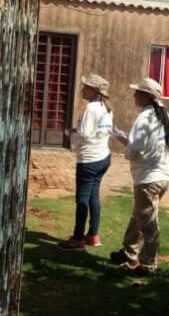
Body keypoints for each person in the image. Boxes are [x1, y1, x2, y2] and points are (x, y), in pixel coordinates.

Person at [109, 78, 169, 276]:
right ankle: (129, 252)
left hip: (148, 178)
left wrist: (125, 146)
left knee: (148, 223)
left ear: (146, 96)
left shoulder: (145, 118)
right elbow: (147, 146)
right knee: (139, 216)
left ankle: (147, 265)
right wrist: (124, 139)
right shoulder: (165, 117)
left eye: (137, 92)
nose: (134, 95)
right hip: (161, 176)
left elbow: (134, 150)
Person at [57, 74, 114, 250]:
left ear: (93, 90)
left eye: (85, 87)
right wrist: (77, 130)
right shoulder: (107, 108)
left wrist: (70, 134)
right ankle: (93, 235)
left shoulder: (91, 108)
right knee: (93, 196)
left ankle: (78, 238)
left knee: (82, 198)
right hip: (103, 157)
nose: (82, 89)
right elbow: (95, 130)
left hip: (89, 160)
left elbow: (84, 135)